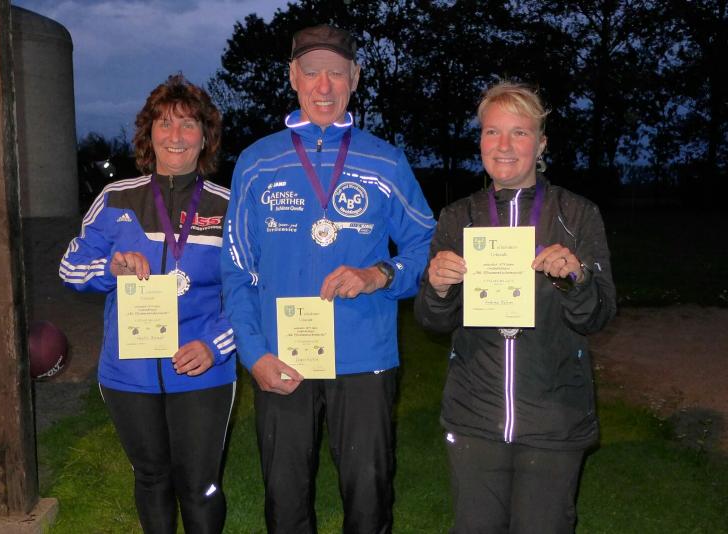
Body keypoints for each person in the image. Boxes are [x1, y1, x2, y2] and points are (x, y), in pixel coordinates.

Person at [220, 24, 435, 533]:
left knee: (368, 494)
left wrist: (381, 274)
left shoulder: (385, 161)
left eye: (336, 73)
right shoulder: (257, 163)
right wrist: (254, 354)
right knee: (286, 498)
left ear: (354, 78)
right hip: (282, 357)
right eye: (312, 72)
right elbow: (237, 269)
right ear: (293, 76)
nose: (323, 86)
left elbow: (427, 245)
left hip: (365, 356)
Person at [414, 81, 616, 533]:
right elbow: (432, 322)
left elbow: (599, 315)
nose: (503, 145)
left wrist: (576, 280)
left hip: (554, 417)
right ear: (481, 141)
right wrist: (438, 287)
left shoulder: (576, 214)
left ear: (541, 144)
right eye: (492, 131)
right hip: (475, 416)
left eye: (519, 132)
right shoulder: (457, 217)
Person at [59, 73, 236, 534]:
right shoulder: (116, 198)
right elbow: (70, 268)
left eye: (189, 124)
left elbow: (250, 291)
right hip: (129, 373)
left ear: (205, 138)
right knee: (152, 477)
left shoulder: (229, 207)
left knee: (199, 485)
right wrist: (109, 269)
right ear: (149, 134)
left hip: (202, 369)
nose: (176, 135)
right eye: (165, 123)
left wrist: (215, 345)